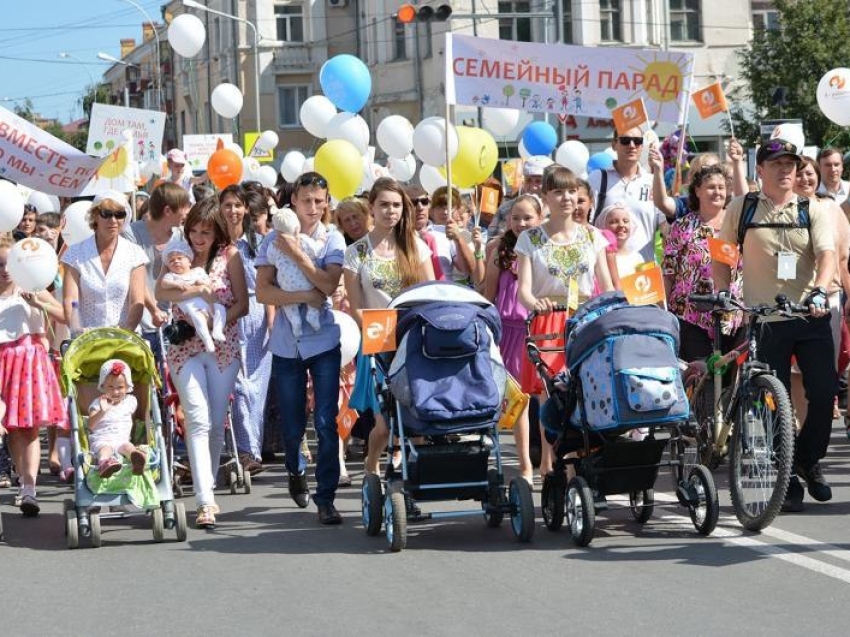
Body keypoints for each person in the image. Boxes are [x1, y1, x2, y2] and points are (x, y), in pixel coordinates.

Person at [713, 138, 837, 513]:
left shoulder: (810, 208)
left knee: (823, 390)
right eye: (777, 164)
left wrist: (819, 289)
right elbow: (721, 255)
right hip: (766, 320)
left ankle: (806, 458)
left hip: (808, 315)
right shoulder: (742, 207)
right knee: (774, 401)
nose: (786, 170)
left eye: (791, 164)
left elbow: (827, 255)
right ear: (760, 170)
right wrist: (721, 291)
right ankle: (788, 474)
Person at [255, 172, 346, 525]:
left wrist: (296, 252)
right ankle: (295, 469)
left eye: (319, 201)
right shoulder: (270, 239)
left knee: (325, 421)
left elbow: (328, 283)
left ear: (326, 203)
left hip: (323, 339)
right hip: (286, 342)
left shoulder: (332, 238)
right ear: (293, 201)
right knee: (292, 425)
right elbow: (263, 293)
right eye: (306, 200)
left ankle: (326, 498)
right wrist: (301, 295)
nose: (312, 207)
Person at [155, 198, 248, 528]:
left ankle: (207, 485)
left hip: (223, 347)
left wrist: (215, 319)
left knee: (215, 420)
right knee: (196, 416)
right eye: (193, 230)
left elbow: (243, 304)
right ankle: (204, 501)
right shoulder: (177, 253)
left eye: (205, 232)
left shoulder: (230, 256)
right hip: (184, 348)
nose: (197, 237)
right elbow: (161, 291)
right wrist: (195, 289)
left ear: (217, 231)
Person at [516, 166, 614, 477]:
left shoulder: (592, 235)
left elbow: (607, 285)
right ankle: (547, 463)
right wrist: (537, 304)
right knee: (552, 396)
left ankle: (578, 462)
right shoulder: (530, 238)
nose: (567, 197)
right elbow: (524, 292)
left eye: (572, 191)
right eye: (558, 191)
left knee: (587, 391)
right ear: (545, 197)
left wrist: (613, 311)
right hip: (549, 321)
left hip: (586, 320)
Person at [344, 177, 435, 476]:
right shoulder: (356, 252)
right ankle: (372, 465)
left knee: (417, 416)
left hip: (413, 339)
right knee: (383, 426)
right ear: (371, 207)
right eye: (383, 204)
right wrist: (378, 329)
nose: (390, 211)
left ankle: (415, 477)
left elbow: (430, 294)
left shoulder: (416, 247)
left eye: (396, 205)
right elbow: (355, 306)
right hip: (378, 340)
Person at [0, 233, 68, 516]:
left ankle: (29, 487)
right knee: (11, 430)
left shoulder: (32, 286)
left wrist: (40, 304)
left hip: (28, 361)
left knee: (28, 429)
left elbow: (66, 314)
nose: (4, 271)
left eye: (7, 264)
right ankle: (21, 477)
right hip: (3, 362)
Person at [483, 194, 545, 484]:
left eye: (527, 217)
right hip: (509, 331)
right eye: (515, 217)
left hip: (542, 327)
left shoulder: (547, 245)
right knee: (518, 401)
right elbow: (489, 293)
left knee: (546, 398)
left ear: (540, 218)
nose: (521, 223)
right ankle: (524, 466)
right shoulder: (498, 249)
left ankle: (548, 461)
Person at [791, 155, 850, 426]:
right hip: (792, 300)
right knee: (796, 373)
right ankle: (799, 431)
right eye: (799, 174)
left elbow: (843, 259)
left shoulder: (831, 210)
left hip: (829, 299)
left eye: (810, 174)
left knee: (825, 373)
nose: (805, 179)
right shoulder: (783, 210)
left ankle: (816, 434)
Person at [662, 164, 742, 361]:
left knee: (732, 382)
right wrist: (662, 312)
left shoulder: (738, 225)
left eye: (721, 187)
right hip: (691, 315)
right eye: (711, 187)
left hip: (732, 315)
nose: (717, 192)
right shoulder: (683, 226)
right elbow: (669, 272)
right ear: (697, 190)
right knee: (702, 377)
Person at [221, 184, 273, 475]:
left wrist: (272, 322)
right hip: (228, 315)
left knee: (256, 390)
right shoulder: (215, 243)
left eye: (238, 205)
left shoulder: (259, 243)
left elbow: (268, 286)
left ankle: (251, 450)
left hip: (257, 316)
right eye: (227, 205)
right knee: (238, 387)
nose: (233, 211)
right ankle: (243, 450)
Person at [122, 182, 192, 361]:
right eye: (184, 206)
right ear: (168, 211)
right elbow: (135, 277)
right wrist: (153, 310)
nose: (187, 211)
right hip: (141, 319)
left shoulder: (180, 235)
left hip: (173, 321)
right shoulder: (131, 233)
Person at [588, 127, 668, 262]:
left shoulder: (652, 181)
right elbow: (586, 224)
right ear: (614, 145)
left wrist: (677, 215)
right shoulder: (597, 179)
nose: (632, 146)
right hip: (607, 270)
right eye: (625, 140)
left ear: (642, 146)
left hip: (643, 270)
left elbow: (664, 227)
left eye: (637, 141)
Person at [161, 237, 227, 352]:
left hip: (207, 302)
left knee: (220, 309)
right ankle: (207, 340)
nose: (176, 262)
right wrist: (176, 285)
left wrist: (201, 283)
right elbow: (164, 284)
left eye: (179, 258)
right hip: (191, 306)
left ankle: (217, 329)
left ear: (189, 261)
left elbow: (209, 284)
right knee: (198, 319)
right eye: (171, 261)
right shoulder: (173, 276)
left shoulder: (197, 271)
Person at [268, 206, 324, 337]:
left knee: (289, 305)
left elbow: (270, 260)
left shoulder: (273, 244)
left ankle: (295, 321)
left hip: (286, 286)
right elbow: (316, 251)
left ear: (276, 230)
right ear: (297, 227)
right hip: (306, 282)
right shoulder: (303, 239)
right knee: (313, 295)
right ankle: (312, 315)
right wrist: (321, 241)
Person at [87, 358, 147, 478]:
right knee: (105, 449)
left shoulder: (130, 401)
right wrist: (102, 411)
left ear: (127, 387)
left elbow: (132, 419)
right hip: (102, 439)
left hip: (122, 439)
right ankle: (104, 463)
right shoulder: (98, 403)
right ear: (102, 386)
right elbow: (90, 425)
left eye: (120, 387)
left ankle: (137, 461)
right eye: (110, 387)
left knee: (128, 447)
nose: (115, 391)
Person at [488, 155, 552, 239]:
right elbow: (489, 244)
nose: (533, 187)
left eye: (538, 181)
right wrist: (507, 233)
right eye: (528, 180)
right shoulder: (506, 208)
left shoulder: (558, 210)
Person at [593, 201, 643, 280]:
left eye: (625, 221)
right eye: (614, 222)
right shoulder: (599, 258)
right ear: (602, 226)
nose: (621, 225)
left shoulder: (637, 258)